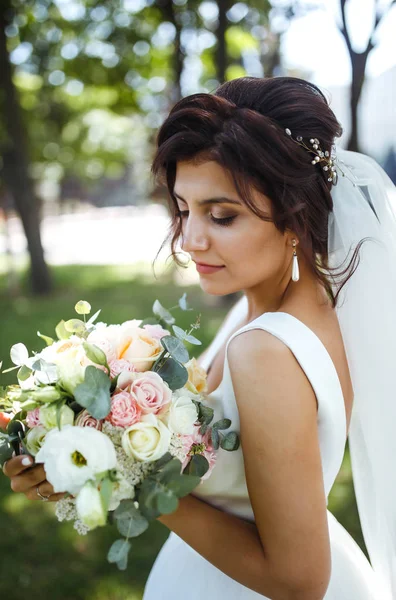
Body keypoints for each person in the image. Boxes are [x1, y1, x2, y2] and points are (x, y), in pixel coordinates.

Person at [3, 76, 396, 599]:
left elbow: (298, 580)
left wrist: (125, 477)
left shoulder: (267, 350)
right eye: (184, 209)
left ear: (295, 213)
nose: (190, 239)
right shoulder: (291, 305)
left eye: (222, 215)